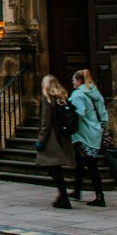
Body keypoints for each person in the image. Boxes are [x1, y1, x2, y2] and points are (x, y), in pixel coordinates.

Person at [35, 73, 76, 208]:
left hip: (52, 138)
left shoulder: (47, 99)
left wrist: (41, 140)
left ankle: (63, 197)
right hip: (62, 136)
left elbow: (45, 123)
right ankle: (62, 196)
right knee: (55, 168)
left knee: (52, 168)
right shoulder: (62, 97)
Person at [70, 69, 107, 205]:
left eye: (74, 80)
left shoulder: (78, 94)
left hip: (83, 133)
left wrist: (68, 126)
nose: (73, 83)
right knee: (80, 162)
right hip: (94, 130)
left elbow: (78, 113)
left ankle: (99, 196)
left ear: (79, 81)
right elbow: (102, 109)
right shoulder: (93, 91)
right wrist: (104, 122)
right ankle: (77, 190)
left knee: (91, 165)